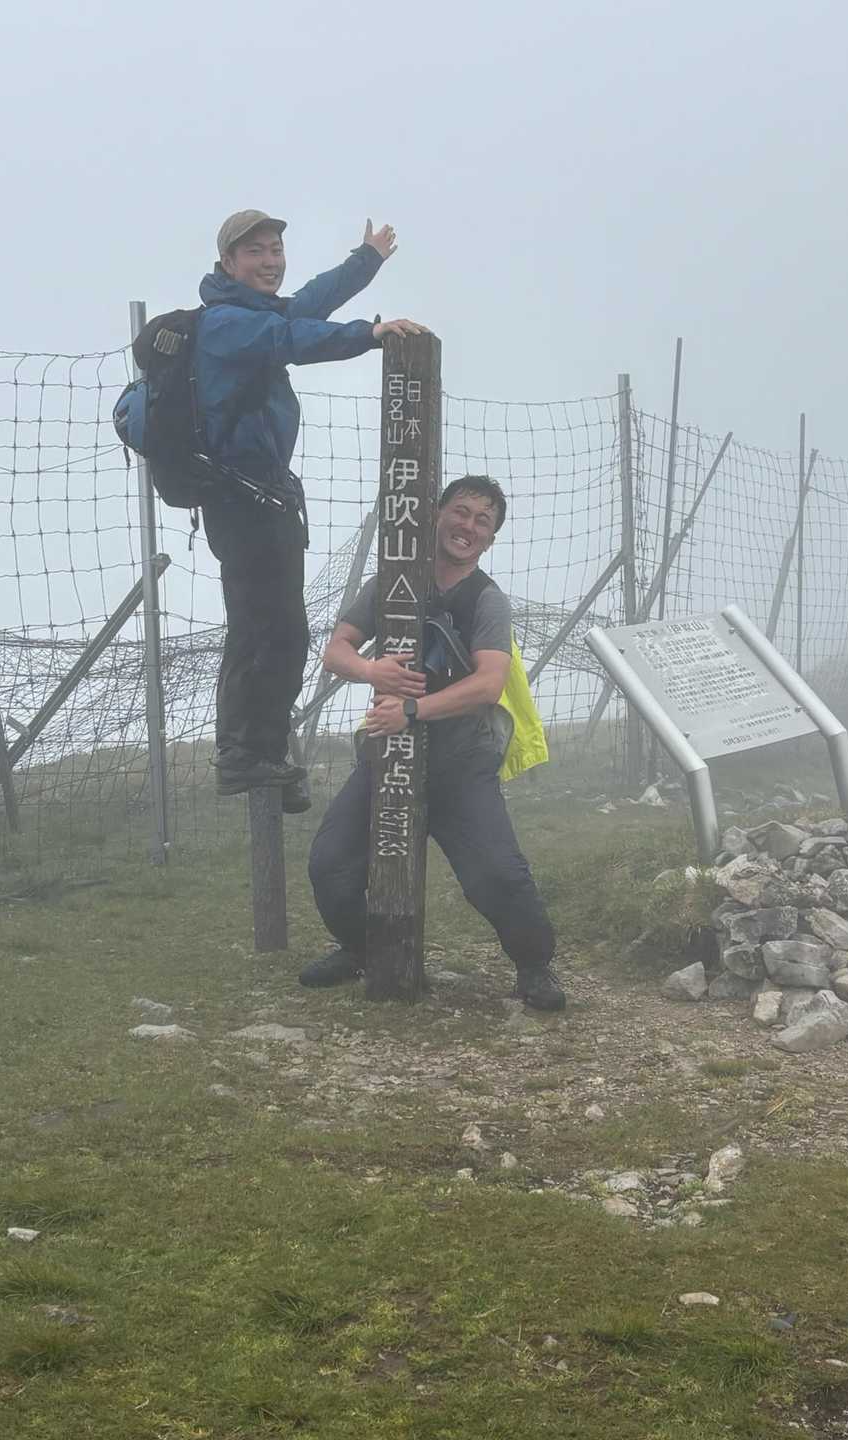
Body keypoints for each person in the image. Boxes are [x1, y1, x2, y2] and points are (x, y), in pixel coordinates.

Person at [303, 476, 564, 1010]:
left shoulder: (487, 600)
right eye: (461, 511)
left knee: (497, 875)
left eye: (483, 521)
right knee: (330, 864)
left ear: (490, 539)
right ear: (437, 513)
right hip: (388, 755)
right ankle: (363, 950)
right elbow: (337, 650)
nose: (468, 526)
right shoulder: (392, 582)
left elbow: (489, 683)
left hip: (460, 760)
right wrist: (372, 670)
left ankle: (534, 967)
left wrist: (412, 710)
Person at [196, 207, 423, 808]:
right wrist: (368, 334)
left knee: (271, 629)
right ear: (228, 263)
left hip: (262, 496)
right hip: (241, 499)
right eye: (255, 252)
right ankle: (245, 756)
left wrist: (366, 259)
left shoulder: (254, 313)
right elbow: (292, 338)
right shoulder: (225, 324)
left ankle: (263, 755)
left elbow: (308, 303)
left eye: (275, 249)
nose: (270, 261)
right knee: (269, 631)